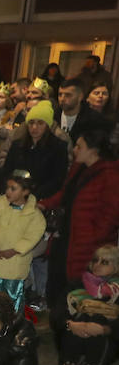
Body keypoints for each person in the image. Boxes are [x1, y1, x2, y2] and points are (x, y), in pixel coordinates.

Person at [38, 126, 119, 347]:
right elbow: (65, 194)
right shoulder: (78, 168)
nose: (74, 150)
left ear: (93, 150)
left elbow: (111, 214)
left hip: (88, 246)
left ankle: (76, 347)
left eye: (79, 146)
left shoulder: (110, 175)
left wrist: (94, 237)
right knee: (57, 288)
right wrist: (44, 204)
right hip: (66, 238)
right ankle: (61, 339)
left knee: (78, 292)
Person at [52, 245, 119, 365]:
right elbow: (57, 314)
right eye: (95, 260)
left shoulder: (117, 291)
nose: (97, 265)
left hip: (103, 339)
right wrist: (71, 324)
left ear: (116, 266)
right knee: (82, 314)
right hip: (73, 333)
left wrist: (105, 329)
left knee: (98, 316)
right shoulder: (77, 284)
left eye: (104, 262)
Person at [0, 171, 45, 314]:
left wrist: (14, 250)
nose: (7, 191)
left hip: (14, 264)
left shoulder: (34, 216)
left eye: (13, 189)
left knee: (11, 297)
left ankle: (12, 324)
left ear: (25, 191)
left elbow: (31, 237)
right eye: (7, 187)